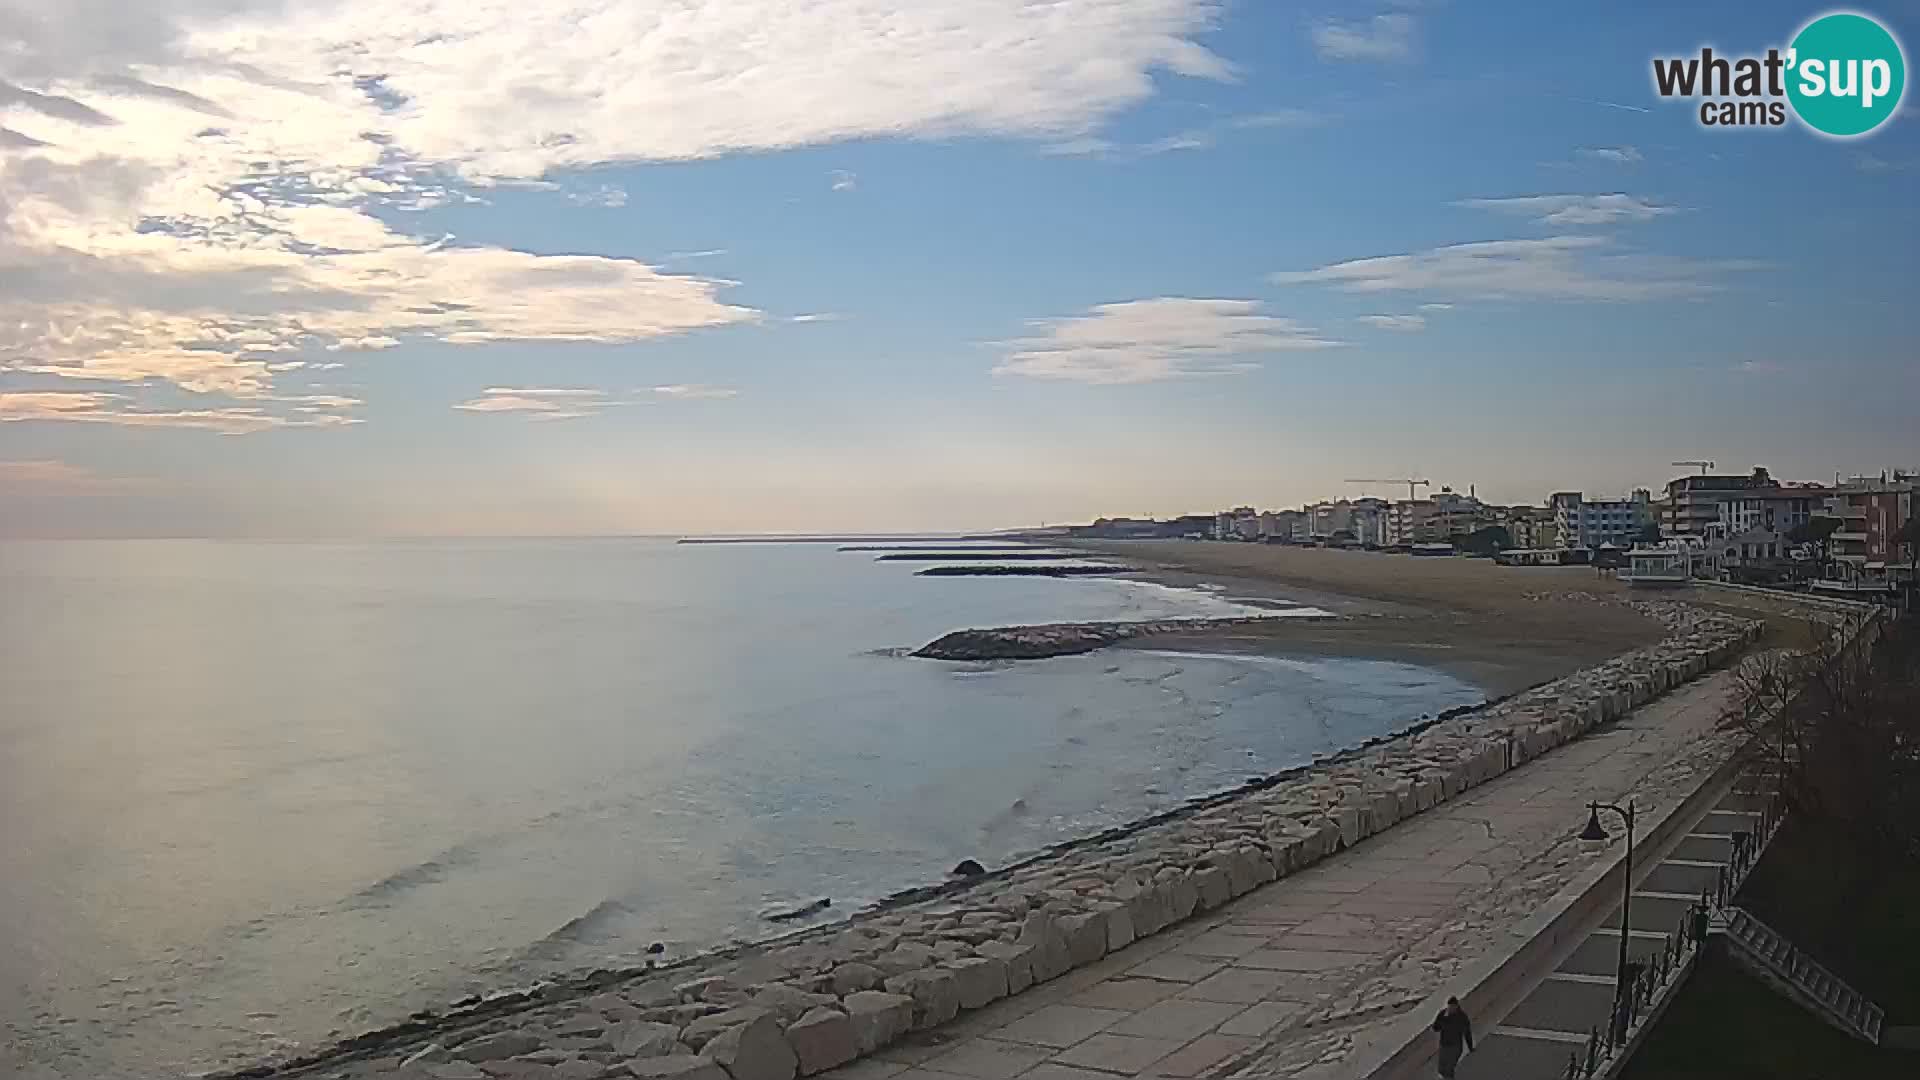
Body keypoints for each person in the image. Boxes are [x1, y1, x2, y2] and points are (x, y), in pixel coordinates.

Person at [1432, 996, 1474, 1078]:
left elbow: (1467, 1032)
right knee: (1441, 1070)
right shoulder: (1443, 1014)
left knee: (1449, 1069)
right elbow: (1435, 1028)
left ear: (1457, 1006)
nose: (1450, 1008)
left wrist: (1470, 1046)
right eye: (1449, 1006)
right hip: (1444, 1045)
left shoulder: (1462, 1017)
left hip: (1455, 1047)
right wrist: (1443, 1020)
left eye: (1452, 1007)